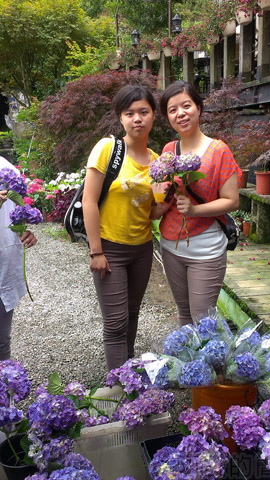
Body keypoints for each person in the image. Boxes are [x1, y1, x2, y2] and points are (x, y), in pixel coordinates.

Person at [82, 85, 171, 370]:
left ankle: (127, 371)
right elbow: (89, 201)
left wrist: (167, 199)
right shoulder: (107, 149)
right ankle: (118, 385)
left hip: (142, 249)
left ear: (153, 116)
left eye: (143, 112)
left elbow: (152, 212)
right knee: (115, 321)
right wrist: (96, 251)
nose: (137, 119)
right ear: (120, 118)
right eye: (129, 113)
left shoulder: (158, 162)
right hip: (109, 247)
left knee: (132, 313)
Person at [158, 81, 242, 326]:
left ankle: (214, 364)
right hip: (170, 246)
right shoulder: (169, 150)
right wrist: (159, 193)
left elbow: (232, 201)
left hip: (205, 249)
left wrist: (195, 210)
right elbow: (163, 199)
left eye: (186, 105)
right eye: (172, 110)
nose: (180, 113)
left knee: (203, 319)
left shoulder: (219, 151)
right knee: (184, 314)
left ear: (198, 108)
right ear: (167, 117)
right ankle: (187, 365)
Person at [0, 156, 37, 360]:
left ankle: (5, 389)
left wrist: (25, 231)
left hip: (3, 266)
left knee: (1, 341)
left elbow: (16, 215)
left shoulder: (5, 169)